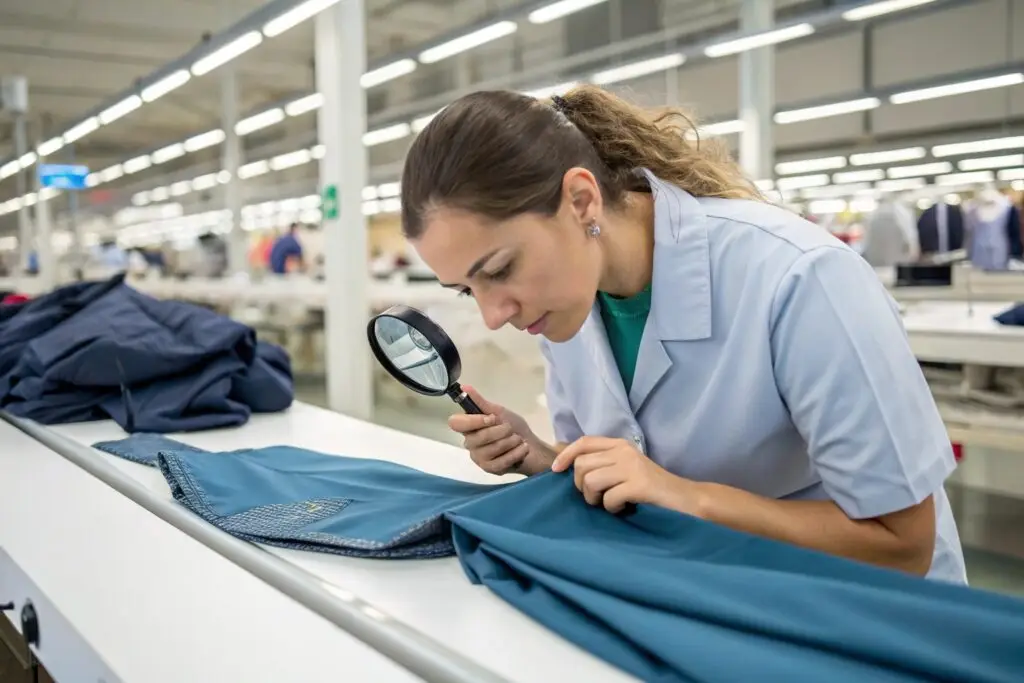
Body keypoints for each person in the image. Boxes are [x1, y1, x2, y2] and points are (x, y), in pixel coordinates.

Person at [398, 85, 966, 583]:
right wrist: (544, 457)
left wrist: (682, 496)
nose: (495, 314)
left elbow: (902, 545)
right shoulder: (567, 298)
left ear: (580, 200)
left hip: (866, 618)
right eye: (468, 290)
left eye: (499, 270)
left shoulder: (800, 276)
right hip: (709, 591)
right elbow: (628, 482)